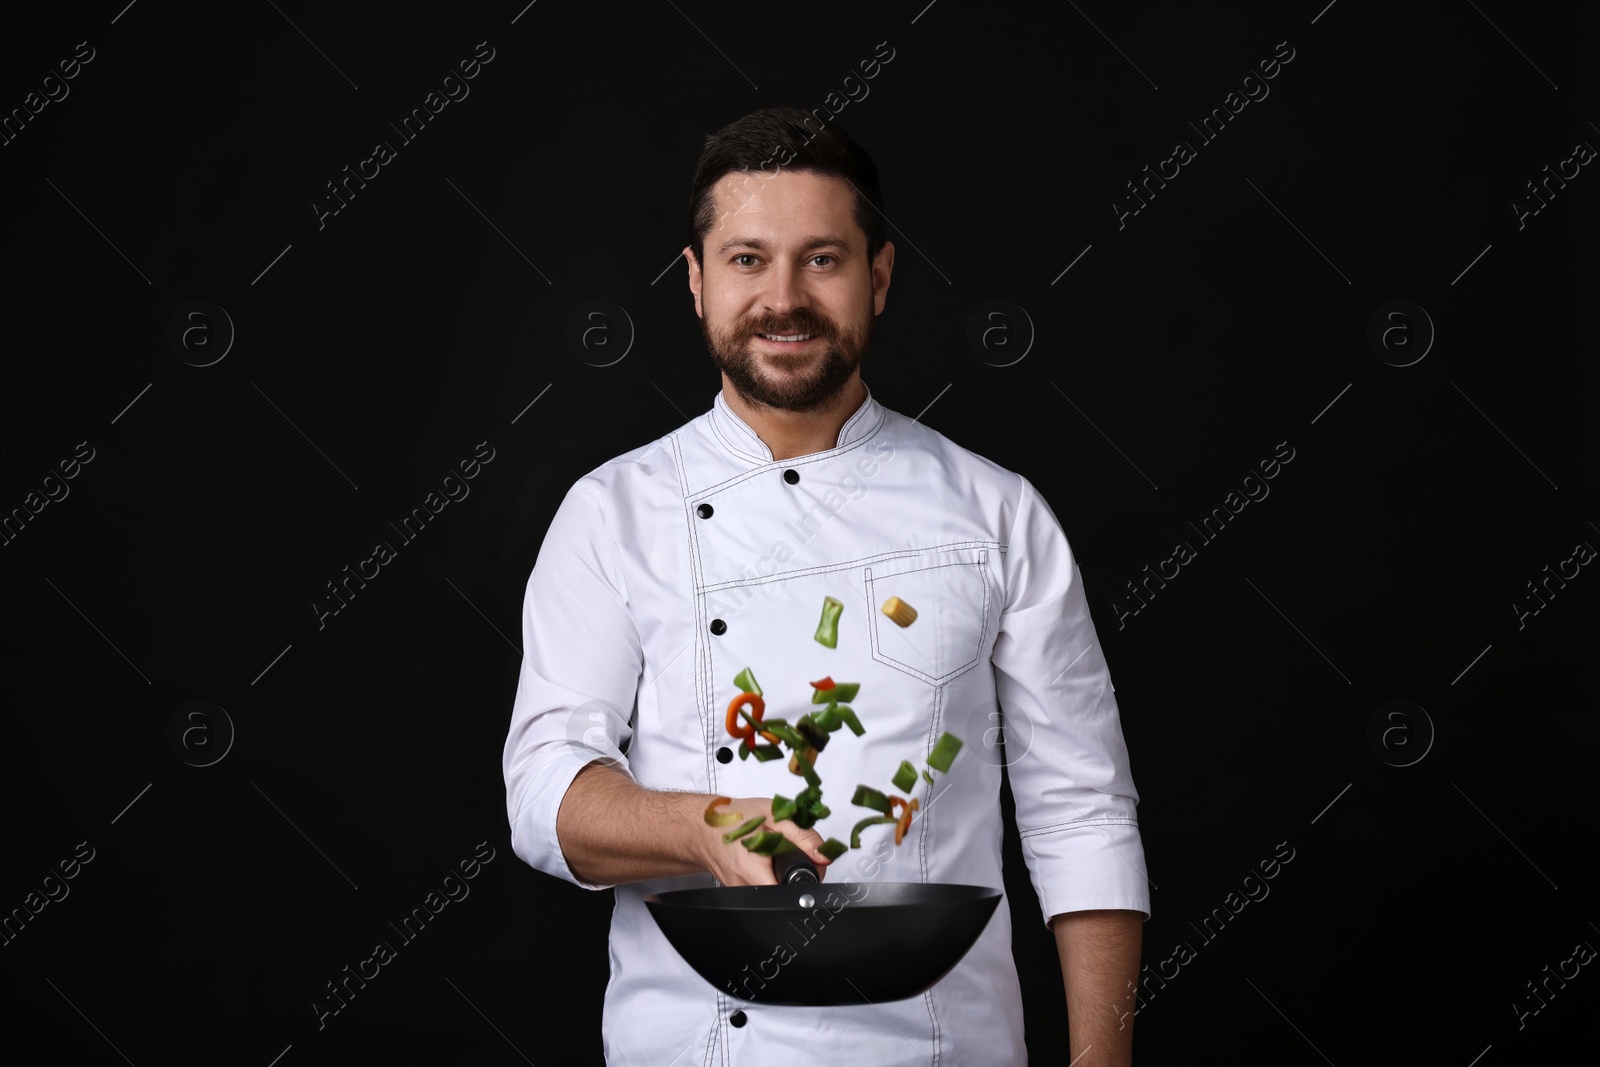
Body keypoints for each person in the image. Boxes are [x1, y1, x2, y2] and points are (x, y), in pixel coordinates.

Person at [503, 106, 1149, 1066]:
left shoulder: (995, 512)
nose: (784, 298)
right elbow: (544, 792)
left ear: (878, 278)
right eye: (748, 260)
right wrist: (704, 825)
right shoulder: (613, 513)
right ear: (695, 281)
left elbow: (1082, 809)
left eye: (823, 259)